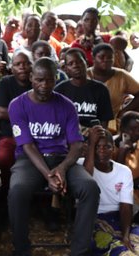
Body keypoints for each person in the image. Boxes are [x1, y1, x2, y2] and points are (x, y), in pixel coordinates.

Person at [8, 57, 100, 256]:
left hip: (61, 158)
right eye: (39, 80)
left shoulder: (66, 105)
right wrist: (49, 174)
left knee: (90, 188)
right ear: (31, 78)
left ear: (56, 79)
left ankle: (79, 250)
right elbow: (28, 145)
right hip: (29, 160)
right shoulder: (17, 105)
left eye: (49, 80)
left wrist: (62, 168)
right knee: (17, 190)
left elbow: (76, 144)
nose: (44, 85)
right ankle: (21, 248)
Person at [82, 127, 138, 255]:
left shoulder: (123, 171)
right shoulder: (82, 166)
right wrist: (90, 145)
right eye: (97, 147)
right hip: (93, 219)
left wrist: (125, 235)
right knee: (117, 249)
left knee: (133, 243)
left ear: (113, 148)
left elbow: (125, 206)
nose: (101, 151)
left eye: (106, 146)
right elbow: (86, 179)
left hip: (119, 218)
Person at [0, 50, 32, 192]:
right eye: (17, 64)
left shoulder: (37, 82)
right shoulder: (6, 82)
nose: (22, 67)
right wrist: (31, 116)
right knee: (3, 159)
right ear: (12, 68)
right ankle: (3, 196)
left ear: (32, 66)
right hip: (10, 136)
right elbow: (1, 112)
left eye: (26, 63)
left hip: (36, 136)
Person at [55, 48, 113, 130]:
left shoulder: (101, 89)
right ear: (66, 68)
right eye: (70, 64)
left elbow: (104, 122)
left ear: (86, 63)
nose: (75, 65)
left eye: (79, 62)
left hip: (94, 134)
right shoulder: (60, 90)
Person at [87, 43, 139, 133]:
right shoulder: (85, 75)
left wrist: (124, 110)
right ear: (94, 58)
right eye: (102, 57)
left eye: (110, 57)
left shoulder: (121, 75)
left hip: (113, 122)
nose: (106, 60)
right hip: (86, 121)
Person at [113, 111, 139, 220]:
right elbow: (115, 178)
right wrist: (123, 151)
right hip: (117, 191)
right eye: (132, 129)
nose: (137, 132)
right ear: (122, 129)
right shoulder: (111, 147)